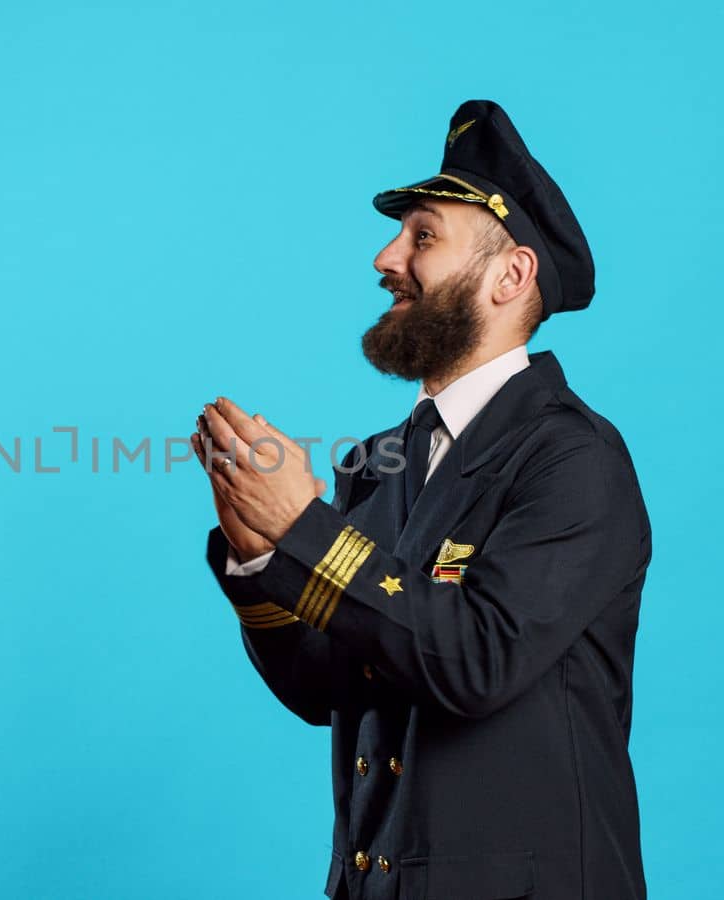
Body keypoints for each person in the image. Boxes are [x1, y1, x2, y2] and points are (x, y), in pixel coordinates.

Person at [192, 99, 651, 899]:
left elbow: (477, 660)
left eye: (423, 237)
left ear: (513, 276)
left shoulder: (573, 456)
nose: (384, 257)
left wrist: (302, 527)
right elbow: (325, 687)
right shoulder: (378, 462)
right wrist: (258, 554)